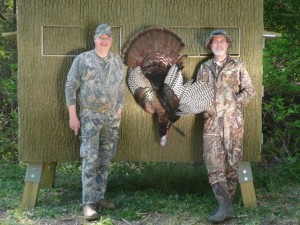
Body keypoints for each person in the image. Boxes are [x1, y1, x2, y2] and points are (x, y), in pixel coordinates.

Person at [65, 24, 125, 220]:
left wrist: (119, 107)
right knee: (90, 158)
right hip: (90, 117)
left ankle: (99, 197)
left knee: (106, 159)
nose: (104, 40)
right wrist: (73, 115)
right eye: (101, 37)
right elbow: (70, 86)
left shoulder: (116, 61)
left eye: (107, 37)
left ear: (111, 40)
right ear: (94, 39)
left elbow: (121, 85)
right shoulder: (83, 59)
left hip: (111, 119)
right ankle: (88, 203)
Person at [196, 30, 256, 223]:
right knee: (213, 162)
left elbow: (250, 90)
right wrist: (205, 108)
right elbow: (198, 92)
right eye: (215, 42)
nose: (219, 44)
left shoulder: (238, 66)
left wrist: (234, 103)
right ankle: (224, 205)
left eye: (222, 41)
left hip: (233, 123)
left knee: (232, 163)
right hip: (211, 122)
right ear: (210, 46)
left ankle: (226, 205)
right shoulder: (204, 68)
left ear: (227, 45)